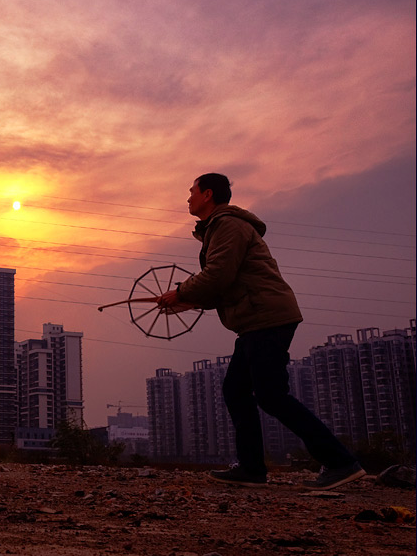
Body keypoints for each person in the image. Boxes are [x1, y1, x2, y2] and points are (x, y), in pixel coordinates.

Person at [156, 173, 364, 490]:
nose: (188, 198)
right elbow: (221, 286)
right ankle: (251, 468)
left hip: (266, 317)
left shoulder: (227, 226)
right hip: (257, 320)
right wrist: (183, 301)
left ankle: (341, 462)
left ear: (207, 194)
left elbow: (217, 276)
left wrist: (181, 292)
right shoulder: (220, 228)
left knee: (271, 396)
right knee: (236, 391)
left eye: (192, 192)